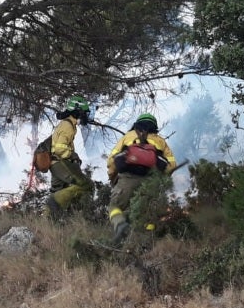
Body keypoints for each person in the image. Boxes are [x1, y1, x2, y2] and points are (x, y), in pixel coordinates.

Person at [105, 113, 177, 245]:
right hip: (150, 181)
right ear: (154, 126)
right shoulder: (160, 140)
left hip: (127, 178)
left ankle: (120, 225)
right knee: (148, 214)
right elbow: (171, 165)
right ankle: (147, 242)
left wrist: (113, 177)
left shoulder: (128, 136)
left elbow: (112, 161)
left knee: (115, 206)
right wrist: (159, 179)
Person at [46, 95, 94, 220]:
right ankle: (56, 201)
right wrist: (72, 155)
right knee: (85, 184)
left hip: (54, 164)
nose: (85, 116)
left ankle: (48, 222)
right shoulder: (68, 126)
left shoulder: (66, 124)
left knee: (58, 190)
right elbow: (60, 149)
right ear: (77, 110)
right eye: (84, 113)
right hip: (60, 162)